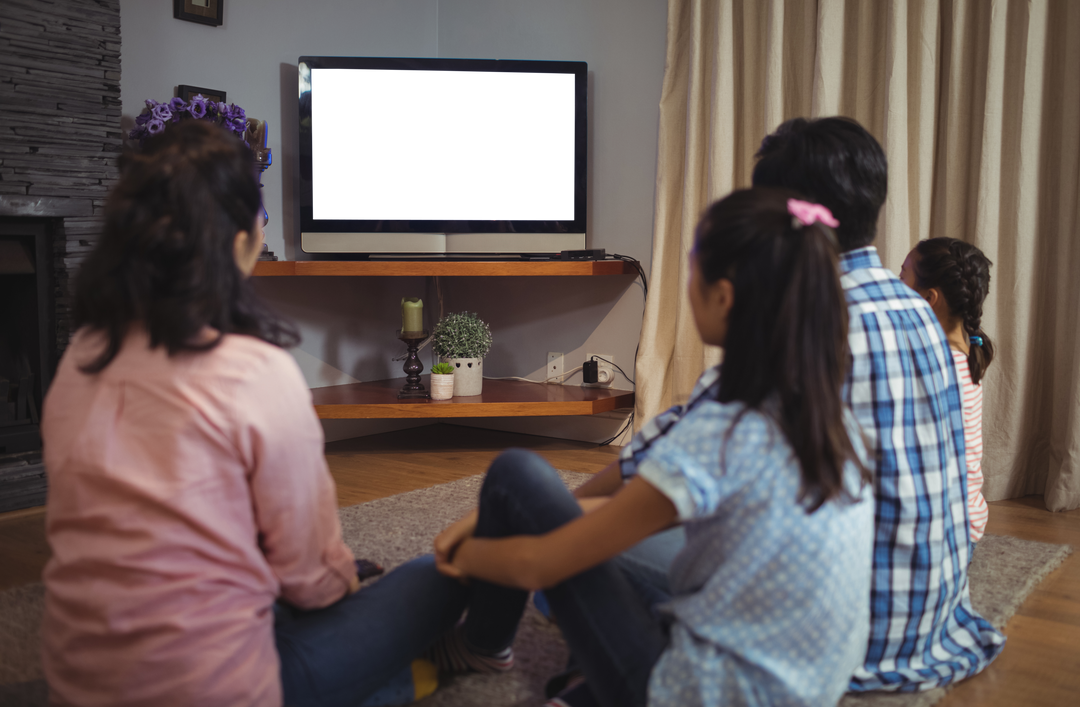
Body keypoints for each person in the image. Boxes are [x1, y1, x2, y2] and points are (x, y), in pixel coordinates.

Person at [40, 120, 471, 707]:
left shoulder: (80, 358)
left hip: (76, 682)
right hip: (222, 688)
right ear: (241, 238)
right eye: (259, 212)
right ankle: (391, 683)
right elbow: (312, 581)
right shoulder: (254, 371)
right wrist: (345, 580)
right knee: (437, 575)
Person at [430, 188, 876, 707]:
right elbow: (625, 516)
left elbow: (538, 565)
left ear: (724, 297)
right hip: (804, 690)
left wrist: (462, 550)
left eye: (692, 266)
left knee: (516, 473)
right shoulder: (831, 417)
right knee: (624, 553)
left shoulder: (728, 429)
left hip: (694, 695)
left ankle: (483, 645)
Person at [752, 116, 1005, 691]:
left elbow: (684, 467)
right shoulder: (921, 315)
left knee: (564, 523)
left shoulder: (807, 316)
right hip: (934, 611)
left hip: (843, 633)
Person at [900, 238, 995, 544]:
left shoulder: (937, 367)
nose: (895, 285)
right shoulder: (965, 352)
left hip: (946, 531)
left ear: (929, 298)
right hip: (967, 518)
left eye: (902, 278)